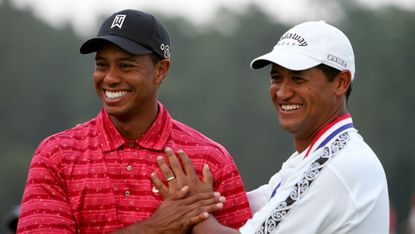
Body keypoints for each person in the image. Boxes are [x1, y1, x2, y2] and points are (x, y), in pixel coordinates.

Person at [17, 9, 252, 233]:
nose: (109, 78)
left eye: (125, 66)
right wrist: (155, 227)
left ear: (161, 70)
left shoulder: (210, 159)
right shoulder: (57, 155)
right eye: (101, 65)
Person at [152, 20, 390, 233]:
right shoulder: (316, 157)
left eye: (298, 78)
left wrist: (192, 209)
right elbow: (245, 207)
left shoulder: (336, 166)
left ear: (341, 82)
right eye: (277, 78)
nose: (283, 92)